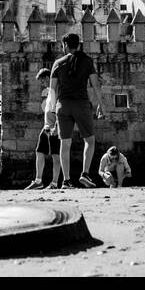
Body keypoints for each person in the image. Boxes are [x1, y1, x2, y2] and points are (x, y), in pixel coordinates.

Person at [51, 33, 105, 188]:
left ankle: (66, 180)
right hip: (81, 105)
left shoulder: (57, 63)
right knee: (89, 140)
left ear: (65, 45)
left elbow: (52, 91)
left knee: (65, 144)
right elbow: (95, 85)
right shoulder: (87, 61)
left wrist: (52, 114)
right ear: (78, 45)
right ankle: (85, 174)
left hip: (63, 106)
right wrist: (101, 104)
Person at [26, 68, 61, 189]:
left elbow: (60, 110)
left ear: (47, 78)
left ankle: (54, 183)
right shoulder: (50, 92)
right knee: (39, 152)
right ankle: (38, 181)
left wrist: (56, 126)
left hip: (55, 128)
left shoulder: (56, 90)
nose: (42, 84)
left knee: (56, 155)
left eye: (42, 81)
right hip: (46, 127)